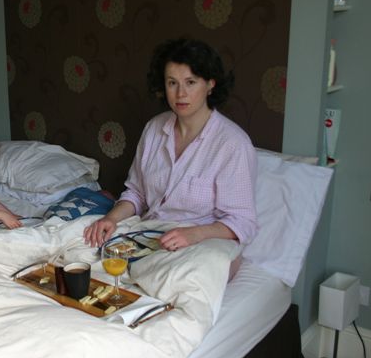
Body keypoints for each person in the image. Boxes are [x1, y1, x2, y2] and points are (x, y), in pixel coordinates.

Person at [84, 38, 258, 254]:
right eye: (172, 83)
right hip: (149, 234)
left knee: (181, 278)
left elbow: (243, 222)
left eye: (191, 82)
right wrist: (110, 219)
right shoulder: (154, 129)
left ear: (210, 85)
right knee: (81, 247)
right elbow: (137, 194)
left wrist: (194, 234)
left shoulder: (233, 144)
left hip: (202, 244)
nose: (180, 93)